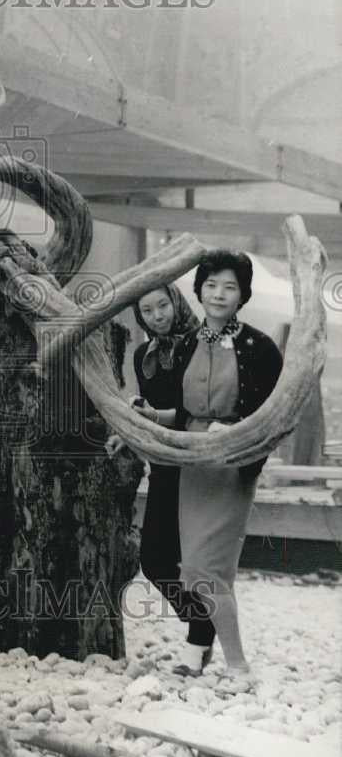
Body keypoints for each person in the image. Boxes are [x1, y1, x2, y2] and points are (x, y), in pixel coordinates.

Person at [132, 251, 283, 688]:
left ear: (243, 295)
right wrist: (147, 415)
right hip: (191, 463)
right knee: (198, 570)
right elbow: (182, 413)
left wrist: (238, 444)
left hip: (232, 464)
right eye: (211, 285)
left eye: (229, 287)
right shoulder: (186, 343)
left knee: (205, 568)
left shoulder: (261, 348)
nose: (219, 294)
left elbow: (273, 417)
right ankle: (205, 656)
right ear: (198, 291)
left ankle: (238, 669)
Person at [107, 285, 217, 675]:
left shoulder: (203, 346)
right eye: (147, 310)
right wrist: (131, 425)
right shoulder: (143, 356)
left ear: (176, 302)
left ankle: (198, 645)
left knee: (200, 561)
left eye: (162, 305)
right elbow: (152, 412)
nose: (157, 315)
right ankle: (202, 624)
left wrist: (149, 415)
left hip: (201, 466)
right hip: (165, 467)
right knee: (154, 560)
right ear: (139, 316)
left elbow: (192, 414)